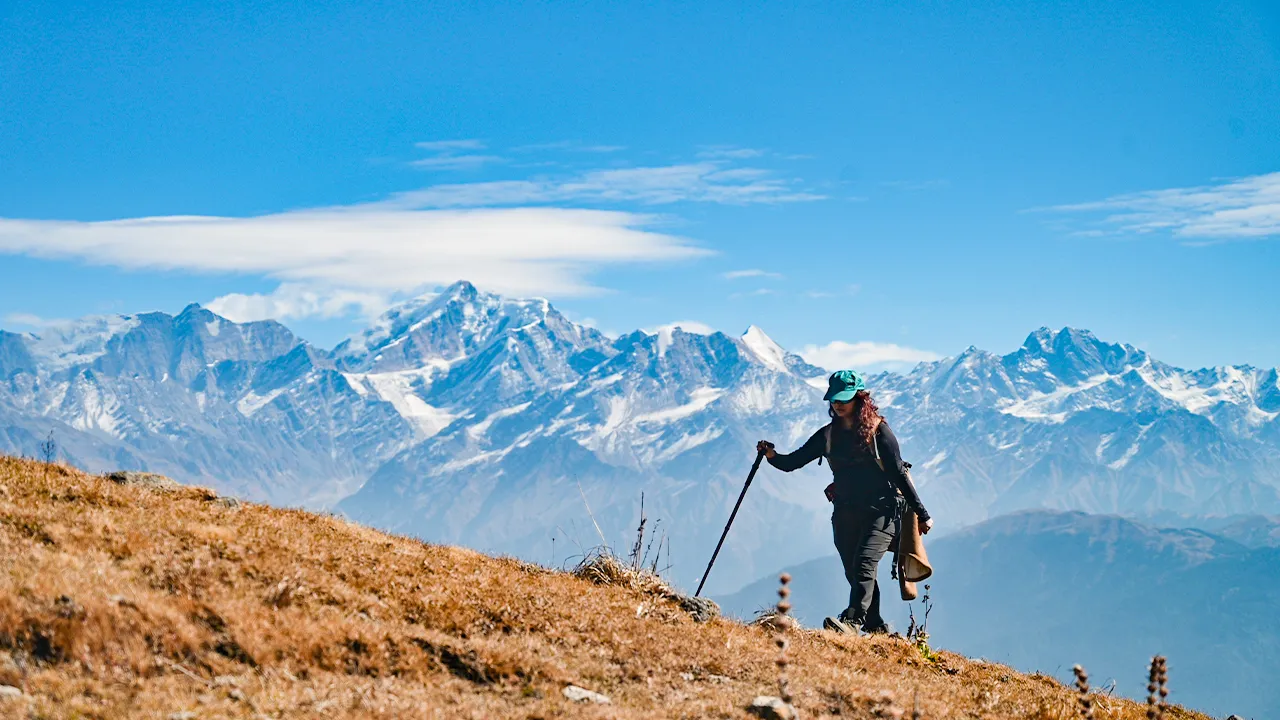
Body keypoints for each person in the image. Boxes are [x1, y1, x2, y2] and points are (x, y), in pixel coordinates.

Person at [756, 369, 932, 635]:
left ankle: (852, 621)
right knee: (855, 571)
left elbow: (898, 473)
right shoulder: (828, 435)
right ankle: (876, 627)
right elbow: (793, 462)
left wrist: (922, 513)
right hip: (845, 513)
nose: (837, 404)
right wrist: (770, 455)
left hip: (882, 512)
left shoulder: (879, 432)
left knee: (863, 564)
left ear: (859, 398)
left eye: (843, 399)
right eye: (834, 400)